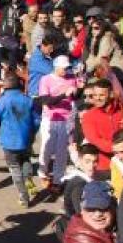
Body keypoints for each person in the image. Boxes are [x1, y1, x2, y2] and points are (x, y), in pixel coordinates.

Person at [0, 72, 38, 206]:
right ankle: (29, 179)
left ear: (5, 87)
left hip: (9, 142)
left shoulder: (1, 102)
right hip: (26, 139)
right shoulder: (28, 100)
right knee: (25, 160)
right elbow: (37, 120)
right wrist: (32, 133)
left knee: (14, 168)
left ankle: (23, 195)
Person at [36, 56, 78, 192]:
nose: (66, 70)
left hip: (66, 119)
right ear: (56, 67)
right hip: (50, 117)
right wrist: (63, 95)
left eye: (68, 68)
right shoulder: (46, 80)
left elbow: (75, 96)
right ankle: (43, 173)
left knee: (61, 152)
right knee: (46, 148)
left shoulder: (72, 78)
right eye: (64, 68)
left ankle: (57, 181)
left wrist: (77, 92)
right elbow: (45, 100)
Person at [79, 79, 123, 176]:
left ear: (110, 94)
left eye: (101, 95)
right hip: (103, 166)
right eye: (95, 95)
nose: (97, 98)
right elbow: (95, 140)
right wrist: (118, 149)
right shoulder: (89, 116)